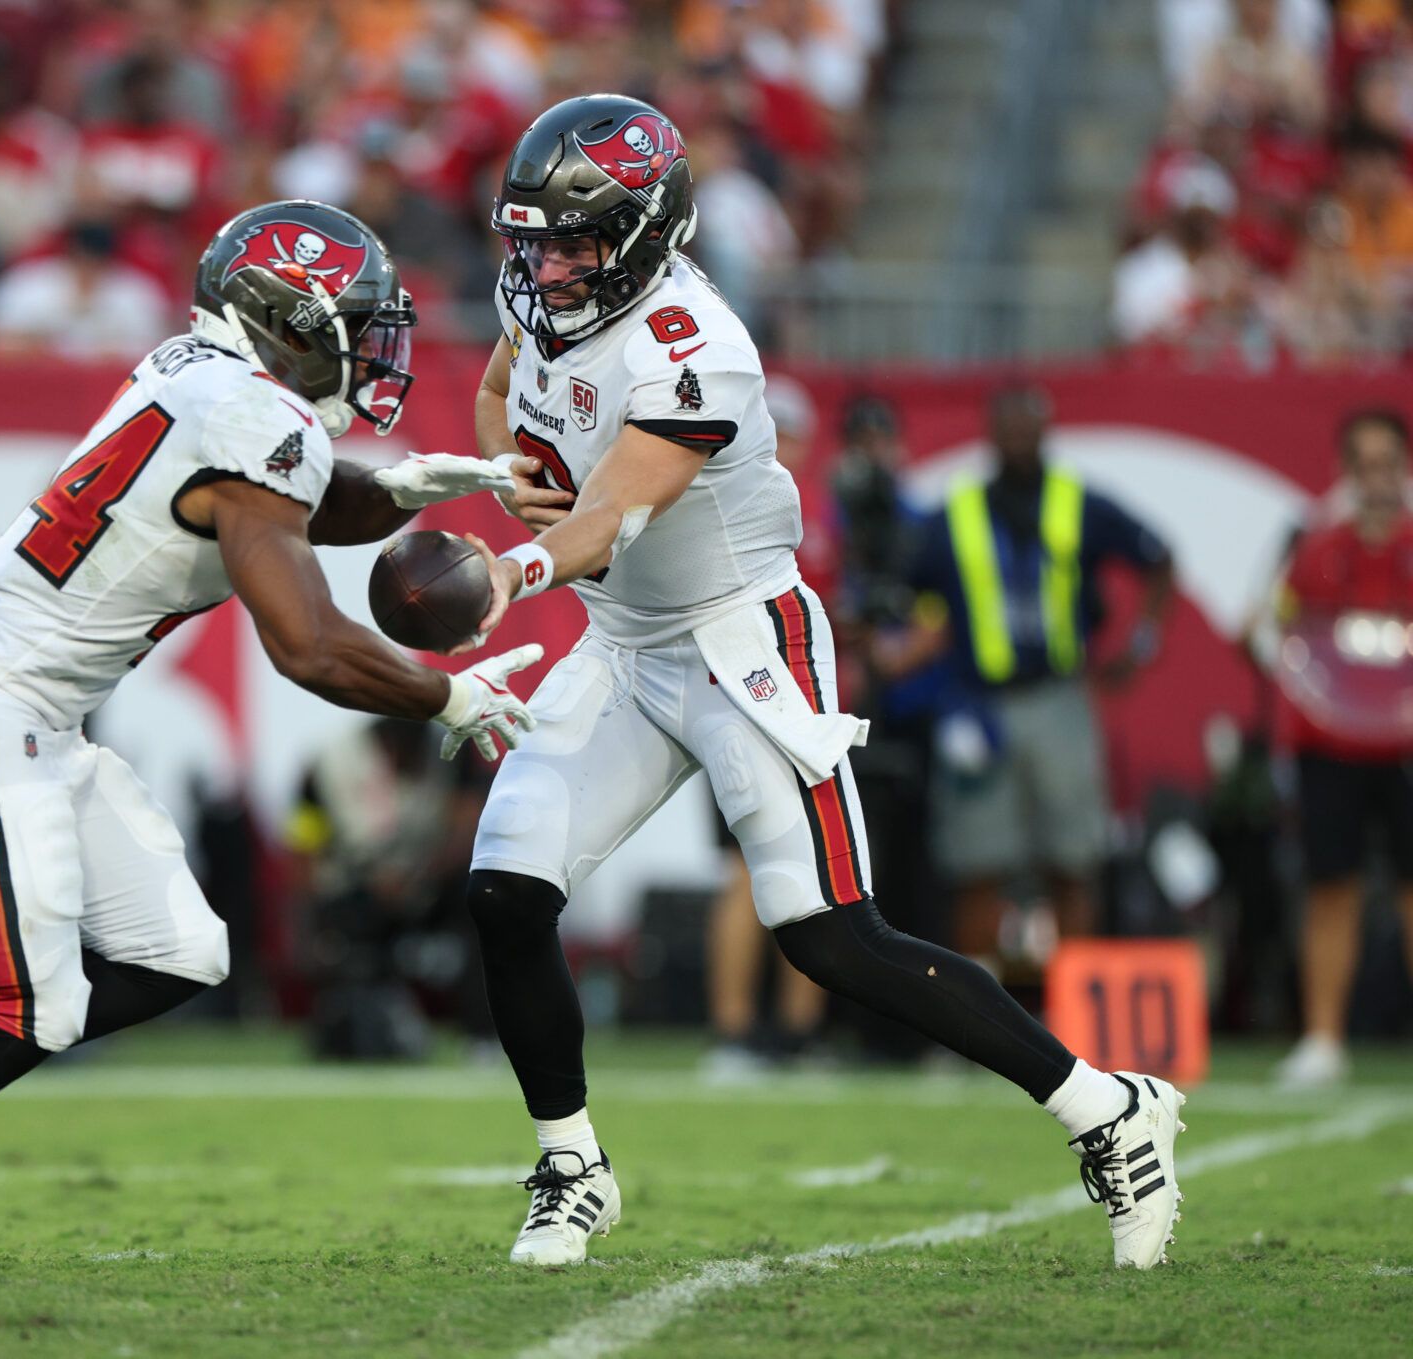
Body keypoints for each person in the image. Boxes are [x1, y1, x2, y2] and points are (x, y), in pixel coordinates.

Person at [0, 199, 537, 1279]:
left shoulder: (199, 374)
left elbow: (277, 496)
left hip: (22, 710)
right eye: (356, 319)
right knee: (30, 1006)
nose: (373, 343)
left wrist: (392, 489)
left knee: (181, 952)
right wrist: (447, 699)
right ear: (290, 317)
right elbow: (305, 643)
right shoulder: (256, 418)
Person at [462, 94, 1185, 1271]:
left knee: (831, 934)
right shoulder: (536, 295)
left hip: (740, 641)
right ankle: (571, 1167)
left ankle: (1105, 1109)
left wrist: (519, 559)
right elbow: (508, 396)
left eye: (573, 240)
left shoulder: (698, 345)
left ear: (651, 233)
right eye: (532, 238)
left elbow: (617, 510)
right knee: (503, 891)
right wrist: (510, 478)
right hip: (622, 641)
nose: (547, 266)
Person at [904, 385, 1176, 965]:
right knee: (979, 863)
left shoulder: (1077, 503)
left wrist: (1140, 644)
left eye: (1031, 425)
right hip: (978, 704)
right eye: (1010, 426)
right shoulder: (957, 513)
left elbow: (1158, 557)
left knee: (1072, 858)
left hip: (1058, 697)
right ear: (991, 433)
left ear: (1047, 430)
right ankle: (976, 1018)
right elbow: (912, 592)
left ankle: (1072, 1019)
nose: (1020, 437)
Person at [1270, 409, 1413, 1088]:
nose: (1379, 479)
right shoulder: (1316, 549)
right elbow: (1282, 636)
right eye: (1366, 465)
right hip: (1329, 742)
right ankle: (1323, 1038)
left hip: (1408, 744)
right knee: (1332, 884)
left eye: (1390, 463)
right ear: (1347, 473)